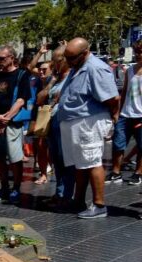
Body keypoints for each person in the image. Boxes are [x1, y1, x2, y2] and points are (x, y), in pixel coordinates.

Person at [59, 37, 119, 219]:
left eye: (71, 58)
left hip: (88, 122)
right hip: (76, 123)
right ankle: (78, 201)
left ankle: (99, 204)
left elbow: (112, 98)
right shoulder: (77, 67)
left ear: (85, 53)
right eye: (66, 58)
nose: (68, 62)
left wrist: (112, 120)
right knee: (81, 164)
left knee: (92, 162)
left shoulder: (95, 68)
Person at [0, 46, 31, 203]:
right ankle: (4, 187)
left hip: (11, 124)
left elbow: (21, 99)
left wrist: (7, 118)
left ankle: (16, 188)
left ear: (12, 58)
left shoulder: (21, 75)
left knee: (15, 157)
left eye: (2, 58)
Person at [38, 45, 75, 209]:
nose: (54, 64)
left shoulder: (73, 77)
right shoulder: (53, 79)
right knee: (56, 160)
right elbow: (40, 99)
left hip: (65, 122)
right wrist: (51, 81)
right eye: (53, 60)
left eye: (57, 60)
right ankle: (59, 193)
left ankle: (67, 195)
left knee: (65, 159)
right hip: (51, 122)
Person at [108, 40, 142, 185]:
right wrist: (118, 112)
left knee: (141, 146)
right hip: (126, 114)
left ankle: (138, 173)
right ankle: (116, 172)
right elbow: (124, 91)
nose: (138, 54)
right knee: (118, 144)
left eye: (141, 52)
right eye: (137, 51)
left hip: (140, 115)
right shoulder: (129, 70)